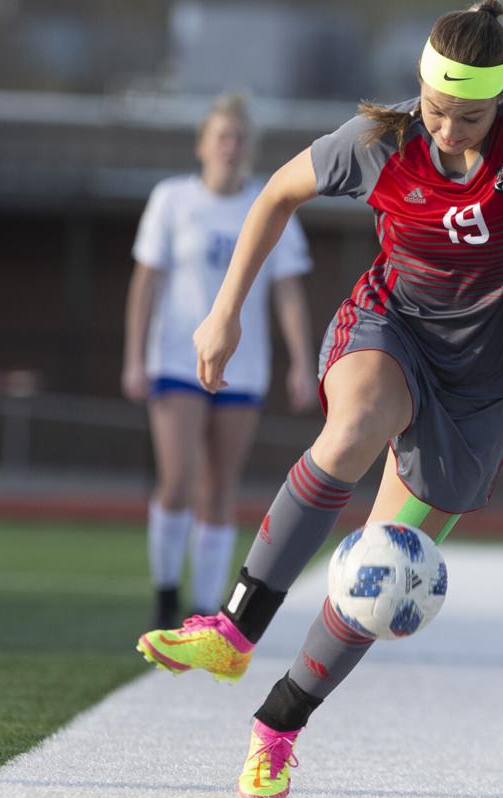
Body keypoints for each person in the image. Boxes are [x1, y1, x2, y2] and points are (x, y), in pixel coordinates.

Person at [135, 1, 503, 798]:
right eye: (436, 109)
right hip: (395, 327)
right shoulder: (380, 144)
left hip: (485, 382)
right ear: (418, 89)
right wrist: (224, 310)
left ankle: (277, 726)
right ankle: (235, 628)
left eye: (470, 115)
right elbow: (276, 195)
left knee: (379, 572)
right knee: (351, 426)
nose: (450, 129)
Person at [122, 94, 317, 629]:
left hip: (243, 364)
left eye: (240, 138)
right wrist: (134, 357)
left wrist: (302, 362)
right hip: (176, 361)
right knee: (178, 479)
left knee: (219, 485)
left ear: (250, 149)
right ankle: (165, 591)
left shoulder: (269, 202)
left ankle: (202, 608)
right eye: (222, 137)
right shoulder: (172, 200)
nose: (231, 147)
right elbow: (146, 281)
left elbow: (288, 291)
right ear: (203, 145)